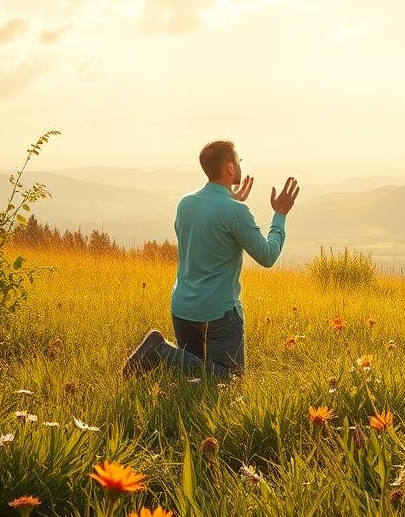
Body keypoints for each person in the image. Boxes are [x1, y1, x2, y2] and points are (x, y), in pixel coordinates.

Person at [122, 140, 299, 378]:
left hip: (183, 309)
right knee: (231, 380)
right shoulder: (236, 212)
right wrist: (280, 215)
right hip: (218, 314)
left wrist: (231, 202)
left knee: (194, 376)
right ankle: (160, 350)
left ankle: (162, 352)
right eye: (238, 160)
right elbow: (267, 256)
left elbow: (210, 231)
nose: (239, 164)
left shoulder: (186, 203)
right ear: (229, 168)